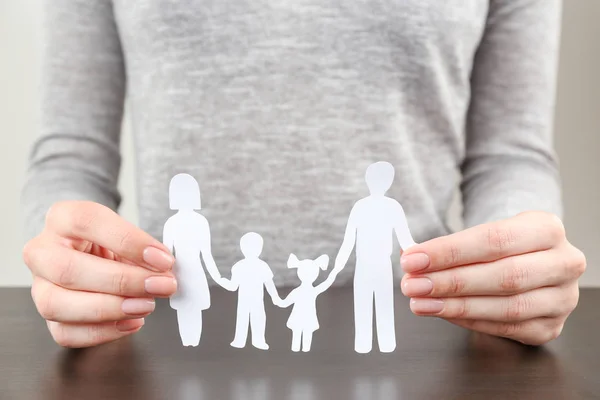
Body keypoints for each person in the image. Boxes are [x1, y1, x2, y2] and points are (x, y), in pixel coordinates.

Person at [22, 1, 586, 348]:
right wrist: (70, 257)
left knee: (375, 327)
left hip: (424, 341)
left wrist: (513, 259)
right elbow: (71, 158)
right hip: (173, 343)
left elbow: (507, 155)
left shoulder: (379, 211)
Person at [331, 161, 415, 353]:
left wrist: (337, 267)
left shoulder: (363, 207)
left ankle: (367, 344)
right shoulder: (389, 207)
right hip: (371, 265)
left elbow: (348, 242)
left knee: (369, 305)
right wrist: (337, 267)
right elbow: (407, 241)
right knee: (376, 304)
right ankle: (377, 344)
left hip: (371, 266)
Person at [163, 173, 221, 347]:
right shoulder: (179, 223)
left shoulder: (193, 222)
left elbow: (206, 254)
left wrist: (219, 278)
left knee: (191, 308)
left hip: (193, 274)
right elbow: (165, 256)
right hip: (180, 274)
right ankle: (190, 341)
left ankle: (192, 341)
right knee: (185, 307)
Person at [219, 232, 280, 350]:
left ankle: (256, 340)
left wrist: (275, 296)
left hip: (255, 300)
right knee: (245, 319)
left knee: (256, 318)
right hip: (246, 300)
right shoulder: (240, 266)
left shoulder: (256, 266)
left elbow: (269, 284)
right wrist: (223, 282)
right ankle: (241, 340)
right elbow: (233, 286)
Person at [277, 253, 335, 353]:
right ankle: (302, 350)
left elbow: (284, 303)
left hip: (302, 318)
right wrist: (334, 272)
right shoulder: (311, 291)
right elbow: (326, 284)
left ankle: (300, 350)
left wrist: (277, 300)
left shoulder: (299, 291)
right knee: (302, 335)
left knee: (300, 335)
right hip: (306, 318)